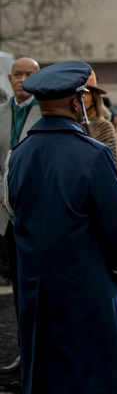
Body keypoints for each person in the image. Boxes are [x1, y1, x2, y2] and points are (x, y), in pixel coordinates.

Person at [4, 61, 117, 394]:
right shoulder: (92, 153)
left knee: (41, 374)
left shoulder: (20, 154)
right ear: (74, 100)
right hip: (81, 282)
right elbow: (116, 224)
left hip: (33, 284)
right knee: (76, 374)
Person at [0, 56, 40, 372]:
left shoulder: (46, 111)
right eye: (17, 73)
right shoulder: (1, 113)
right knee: (16, 283)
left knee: (38, 283)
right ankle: (24, 352)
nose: (22, 78)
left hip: (37, 213)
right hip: (5, 217)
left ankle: (41, 350)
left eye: (29, 74)